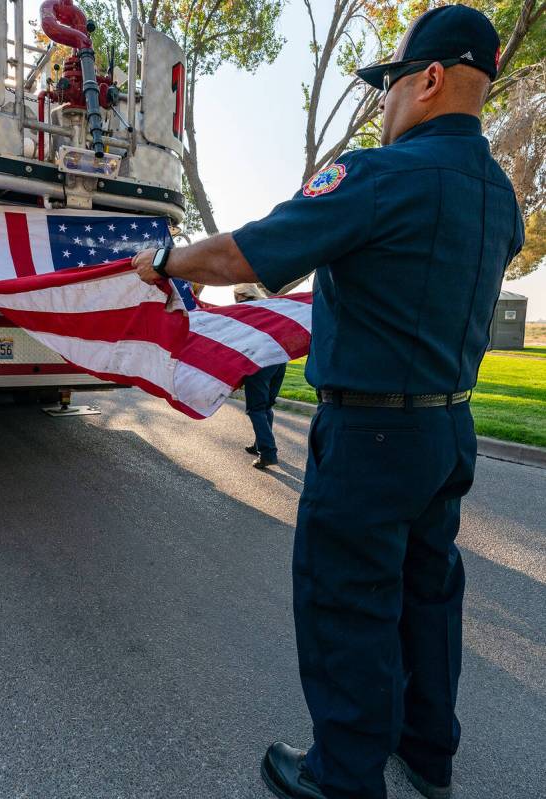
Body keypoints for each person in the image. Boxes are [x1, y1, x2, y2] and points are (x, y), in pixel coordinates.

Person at [133, 6, 523, 798]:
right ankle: (427, 752)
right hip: (449, 425)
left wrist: (163, 259)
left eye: (387, 85)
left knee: (346, 599)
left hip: (371, 432)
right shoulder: (499, 193)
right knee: (428, 592)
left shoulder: (376, 176)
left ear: (430, 78)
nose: (383, 103)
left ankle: (342, 777)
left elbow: (244, 250)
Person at [234, 283, 287, 469]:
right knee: (266, 406)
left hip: (260, 361)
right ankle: (259, 444)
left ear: (241, 293)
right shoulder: (269, 307)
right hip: (279, 359)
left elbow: (241, 340)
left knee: (256, 409)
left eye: (235, 295)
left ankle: (268, 453)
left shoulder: (246, 310)